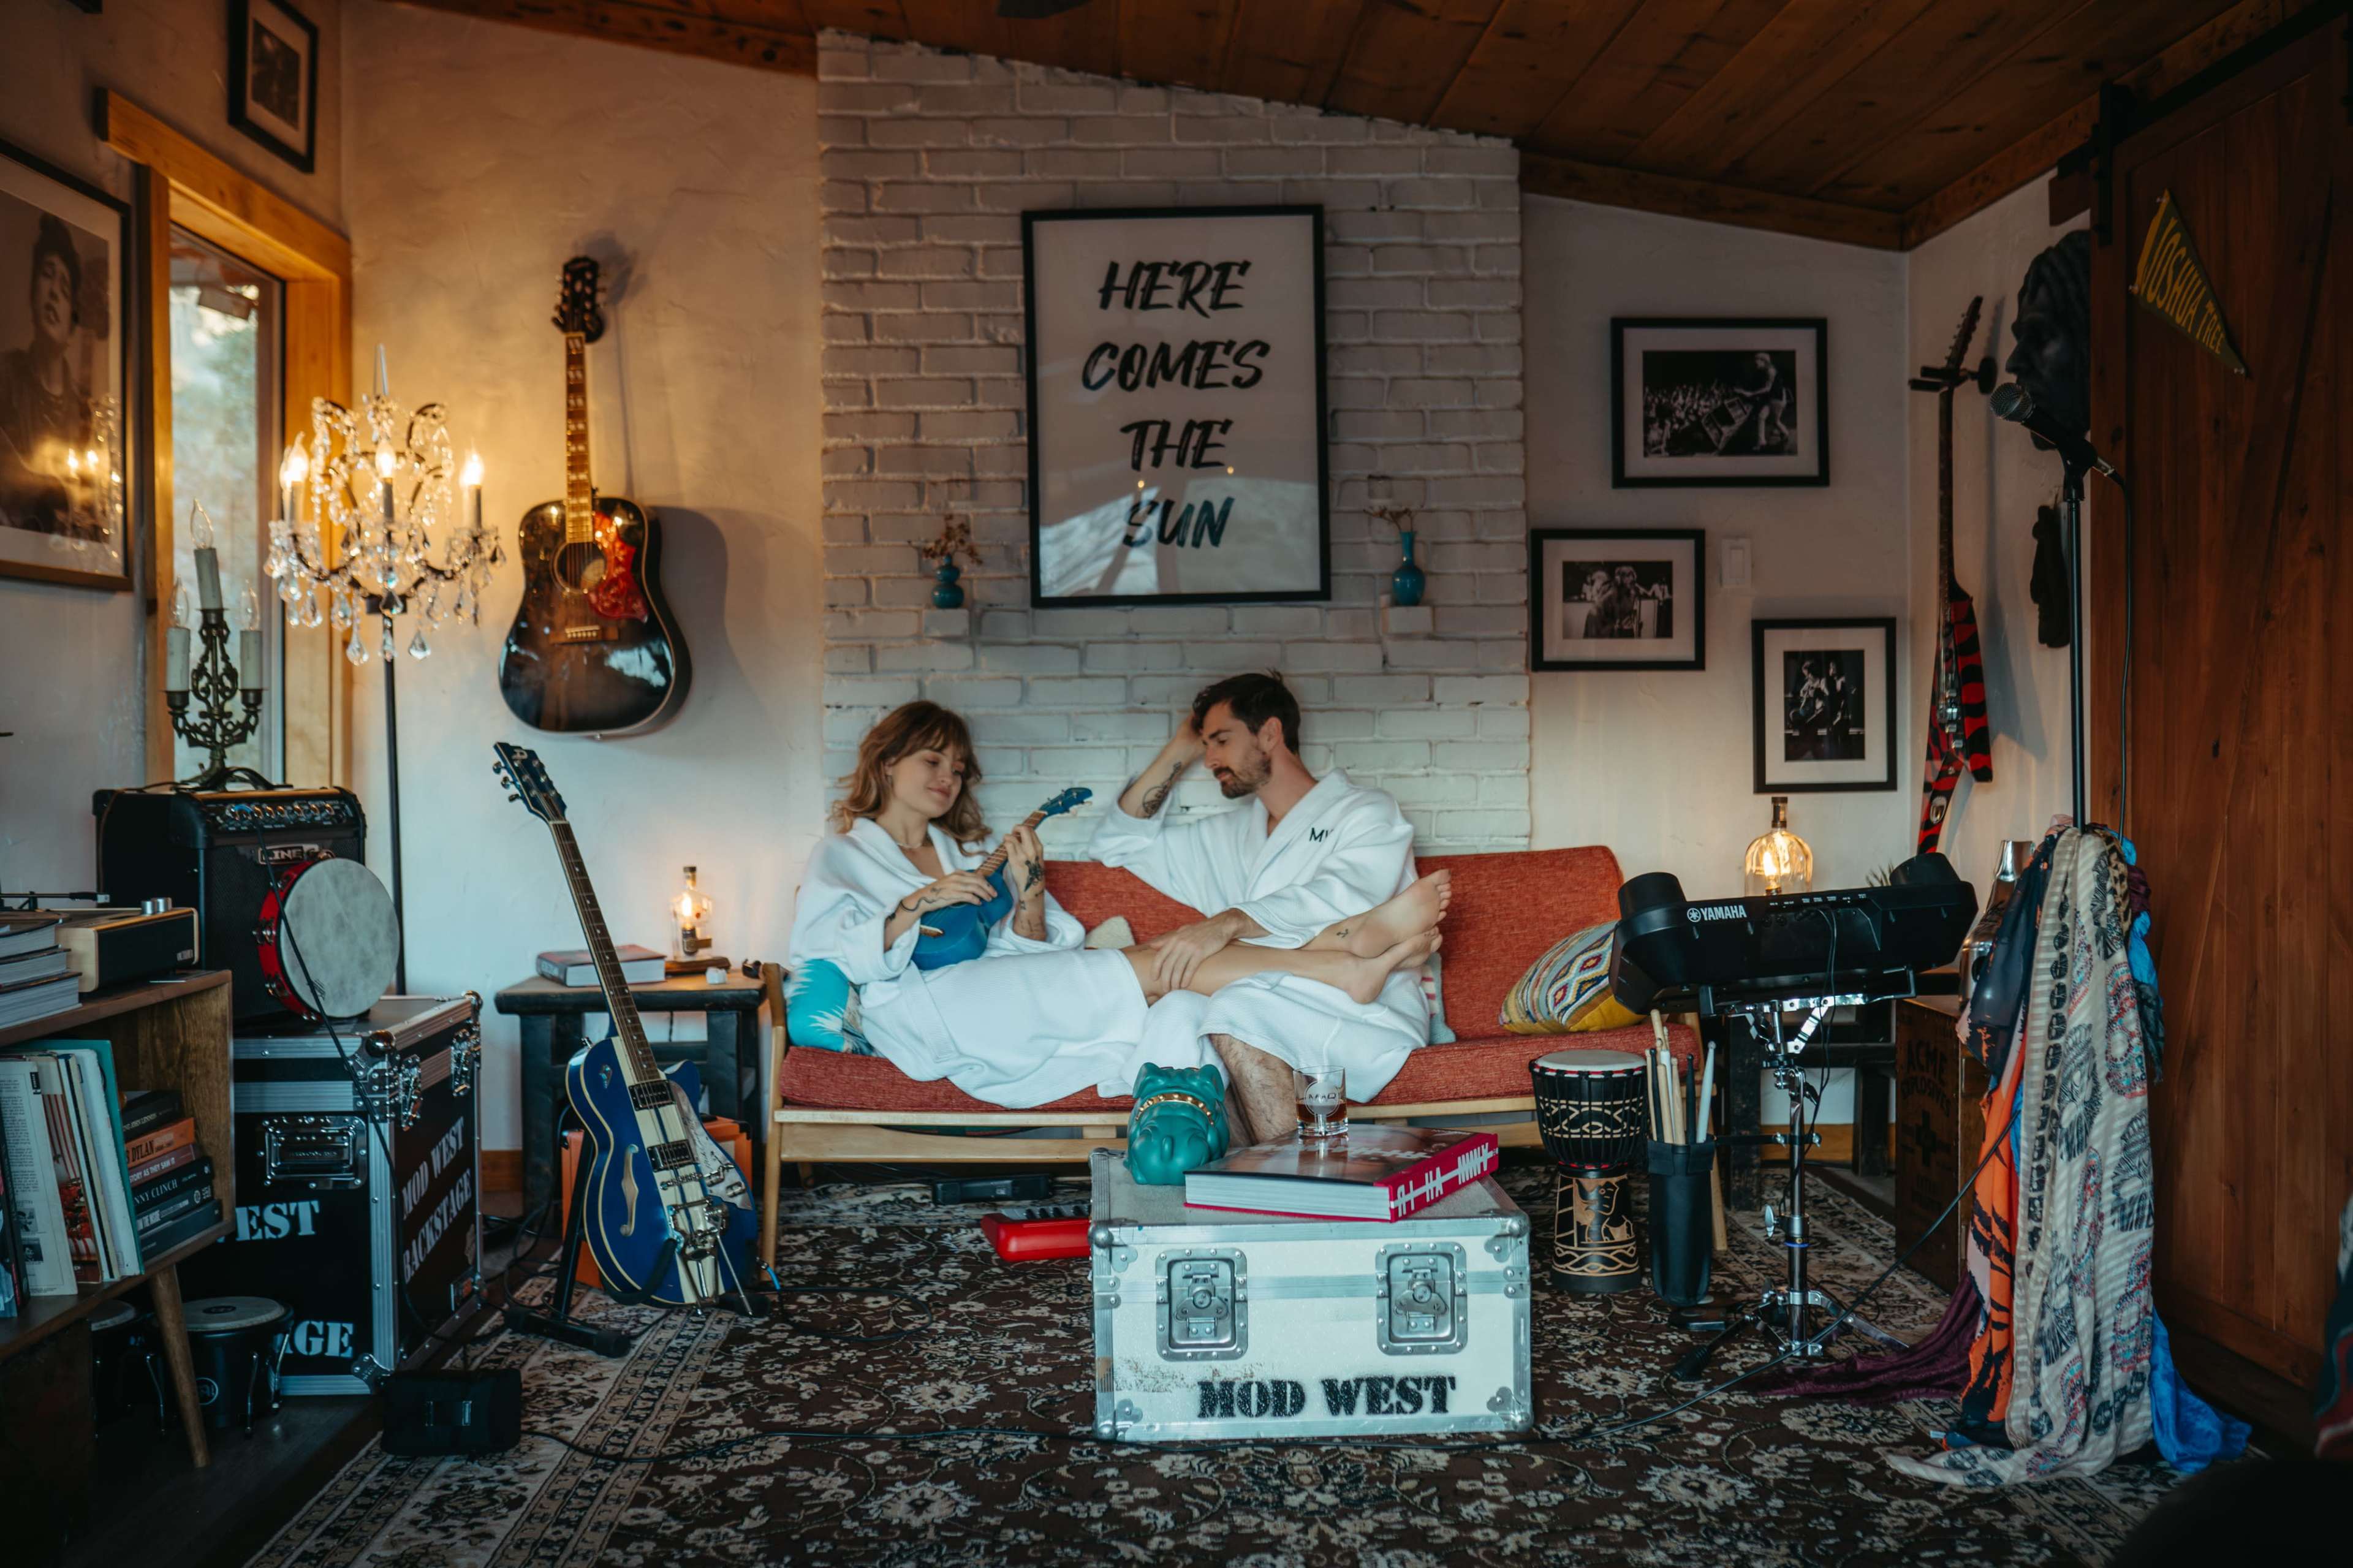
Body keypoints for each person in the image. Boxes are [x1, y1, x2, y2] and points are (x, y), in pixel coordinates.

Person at [790, 700, 1446, 1110]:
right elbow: (830, 954)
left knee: (1169, 968)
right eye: (934, 761)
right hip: (924, 1008)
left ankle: (1340, 964)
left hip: (993, 994)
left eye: (959, 769)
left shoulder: (970, 855)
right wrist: (915, 905)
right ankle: (1338, 961)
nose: (948, 778)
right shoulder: (842, 855)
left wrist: (1032, 892)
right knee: (1165, 964)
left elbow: (1020, 949)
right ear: (887, 763)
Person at [1091, 672, 1434, 1144]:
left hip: (1361, 1005)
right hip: (1267, 991)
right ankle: (1226, 1181)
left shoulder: (1365, 812)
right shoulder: (1233, 836)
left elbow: (1346, 902)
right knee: (1178, 1012)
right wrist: (1181, 747)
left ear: (1270, 733)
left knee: (1236, 1007)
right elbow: (1117, 843)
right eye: (1205, 745)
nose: (1210, 759)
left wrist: (1227, 923)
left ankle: (1303, 1180)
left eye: (1221, 740)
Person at [0, 214, 100, 537]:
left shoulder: (86, 412)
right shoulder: (5, 374)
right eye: (47, 276)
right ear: (32, 294)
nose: (54, 293)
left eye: (65, 288)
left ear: (73, 323)